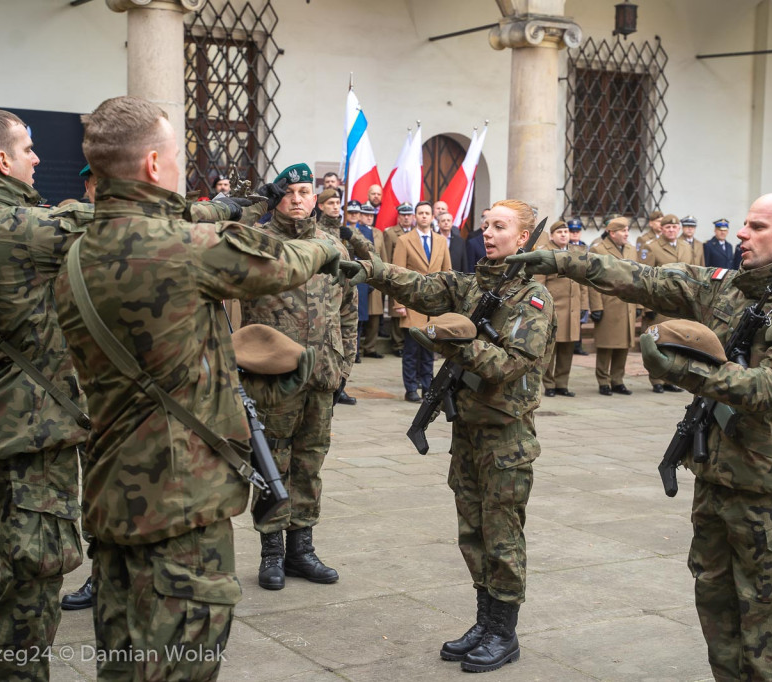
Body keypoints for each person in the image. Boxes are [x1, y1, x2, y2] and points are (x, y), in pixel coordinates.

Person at [52, 96, 339, 681]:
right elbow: (285, 261)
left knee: (125, 659)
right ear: (155, 166)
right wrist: (331, 244)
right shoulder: (181, 249)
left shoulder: (77, 252)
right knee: (180, 663)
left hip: (111, 490)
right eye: (178, 154)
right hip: (182, 497)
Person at [507, 191, 772, 682]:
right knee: (714, 600)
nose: (743, 236)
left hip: (771, 490)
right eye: (745, 226)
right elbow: (642, 279)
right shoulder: (729, 288)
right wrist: (562, 261)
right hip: (716, 477)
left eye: (756, 227)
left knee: (767, 619)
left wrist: (689, 373)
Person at [338, 199, 555, 673]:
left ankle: (504, 631)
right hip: (470, 433)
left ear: (523, 239)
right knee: (472, 532)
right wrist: (369, 270)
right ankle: (484, 620)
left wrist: (455, 341)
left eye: (501, 227)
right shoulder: (473, 285)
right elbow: (421, 285)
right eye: (487, 225)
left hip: (505, 437)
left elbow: (510, 364)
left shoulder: (533, 299)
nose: (489, 233)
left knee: (502, 535)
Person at [0, 108, 89, 681]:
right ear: (1, 160)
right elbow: (121, 222)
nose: (38, 159)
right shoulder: (12, 226)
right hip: (30, 433)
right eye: (29, 148)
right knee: (32, 576)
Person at [237, 161, 357, 592]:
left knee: (310, 461)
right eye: (289, 193)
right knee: (272, 460)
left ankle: (301, 549)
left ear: (316, 197)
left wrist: (346, 362)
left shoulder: (333, 245)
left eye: (305, 192)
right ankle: (271, 550)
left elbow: (348, 307)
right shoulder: (258, 243)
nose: (298, 200)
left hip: (322, 372)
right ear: (277, 197)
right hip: (274, 376)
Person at [392, 201, 451, 401]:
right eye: (421, 213)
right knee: (411, 351)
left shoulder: (441, 241)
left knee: (429, 350)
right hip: (412, 302)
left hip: (434, 305)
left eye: (427, 213)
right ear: (415, 216)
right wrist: (399, 304)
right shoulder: (404, 240)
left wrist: (448, 303)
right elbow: (397, 274)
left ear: (432, 216)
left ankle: (428, 388)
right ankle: (410, 389)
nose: (424, 216)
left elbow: (447, 273)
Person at [535, 220, 586, 397]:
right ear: (552, 235)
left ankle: (562, 384)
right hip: (554, 309)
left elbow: (584, 281)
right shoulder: (544, 252)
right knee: (551, 348)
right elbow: (538, 284)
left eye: (565, 232)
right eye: (560, 232)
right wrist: (541, 309)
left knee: (568, 348)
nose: (564, 234)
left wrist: (585, 306)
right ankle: (549, 384)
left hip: (573, 309)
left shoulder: (577, 252)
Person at [588, 216, 639, 395]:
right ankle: (603, 381)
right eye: (623, 231)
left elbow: (639, 277)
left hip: (627, 304)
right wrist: (596, 307)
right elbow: (593, 280)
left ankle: (618, 380)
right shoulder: (599, 249)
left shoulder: (632, 249)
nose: (627, 234)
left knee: (623, 345)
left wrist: (639, 302)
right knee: (606, 345)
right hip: (608, 303)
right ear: (612, 233)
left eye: (627, 230)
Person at [639, 214, 686, 393]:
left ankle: (670, 379)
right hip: (660, 302)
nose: (672, 230)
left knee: (677, 343)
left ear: (679, 229)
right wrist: (647, 306)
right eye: (668, 227)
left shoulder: (685, 246)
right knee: (658, 342)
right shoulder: (651, 247)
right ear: (662, 229)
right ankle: (656, 380)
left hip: (680, 304)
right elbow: (645, 278)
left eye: (675, 227)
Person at [383, 202, 416, 355]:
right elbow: (387, 256)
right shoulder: (390, 233)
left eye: (409, 215)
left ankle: (410, 341)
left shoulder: (417, 232)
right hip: (397, 274)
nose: (406, 218)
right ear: (399, 216)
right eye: (403, 215)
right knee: (397, 311)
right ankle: (398, 344)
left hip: (414, 276)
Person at [353, 201, 385, 358]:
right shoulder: (357, 231)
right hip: (362, 276)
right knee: (359, 315)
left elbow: (383, 255)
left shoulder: (378, 233)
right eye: (365, 215)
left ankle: (370, 348)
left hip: (376, 276)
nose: (368, 218)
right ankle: (356, 349)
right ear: (360, 216)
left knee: (374, 315)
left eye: (371, 215)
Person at [566, 217, 590, 356]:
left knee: (579, 322)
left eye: (577, 231)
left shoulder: (584, 246)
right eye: (572, 231)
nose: (575, 234)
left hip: (581, 286)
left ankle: (578, 346)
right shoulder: (565, 246)